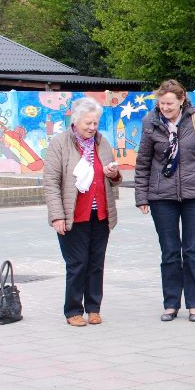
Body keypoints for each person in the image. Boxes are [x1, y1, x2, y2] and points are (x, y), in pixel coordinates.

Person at [136, 80, 195, 322]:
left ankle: (194, 304)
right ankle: (171, 303)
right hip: (161, 196)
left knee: (192, 251)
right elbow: (143, 161)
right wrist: (141, 196)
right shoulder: (150, 123)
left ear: (182, 100)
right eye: (162, 103)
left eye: (170, 104)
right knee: (170, 252)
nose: (165, 108)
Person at [43, 97, 122, 326]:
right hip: (73, 214)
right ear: (75, 120)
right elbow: (50, 182)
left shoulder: (102, 142)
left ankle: (94, 308)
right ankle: (73, 311)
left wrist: (113, 174)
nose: (92, 127)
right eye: (88, 123)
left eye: (95, 123)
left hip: (100, 213)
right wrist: (57, 215)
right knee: (77, 263)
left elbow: (114, 178)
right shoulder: (60, 143)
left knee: (96, 263)